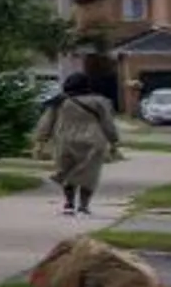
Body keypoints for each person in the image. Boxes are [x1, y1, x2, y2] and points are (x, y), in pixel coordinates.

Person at [36, 72, 121, 216]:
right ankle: (83, 206)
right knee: (89, 174)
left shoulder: (59, 101)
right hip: (92, 141)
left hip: (65, 140)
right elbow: (107, 123)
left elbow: (47, 122)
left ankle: (69, 204)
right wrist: (114, 141)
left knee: (67, 170)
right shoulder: (99, 102)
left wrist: (41, 141)